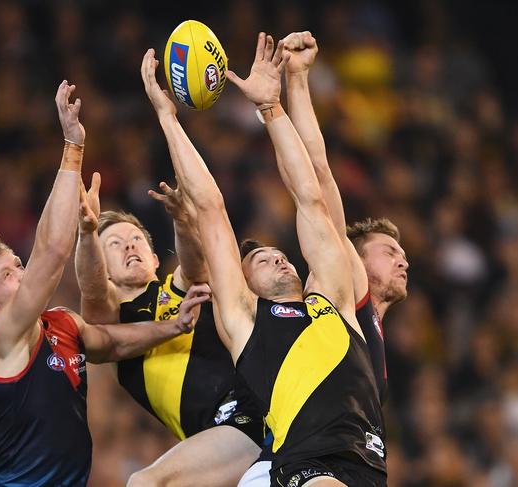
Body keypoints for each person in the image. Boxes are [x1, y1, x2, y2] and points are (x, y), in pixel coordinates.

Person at [141, 32, 386, 486]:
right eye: (261, 261)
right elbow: (211, 209)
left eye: (278, 255)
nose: (278, 259)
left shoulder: (332, 298)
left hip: (368, 470)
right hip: (307, 470)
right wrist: (167, 117)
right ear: (244, 284)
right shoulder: (244, 319)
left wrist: (271, 108)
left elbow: (310, 197)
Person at [0, 81, 211, 487]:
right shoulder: (0, 338)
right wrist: (73, 147)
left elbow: (112, 343)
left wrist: (172, 326)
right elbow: (53, 252)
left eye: (18, 264)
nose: (22, 272)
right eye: (8, 273)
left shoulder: (64, 324)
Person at [237, 31, 409, 486]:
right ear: (356, 257)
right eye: (389, 250)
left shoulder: (369, 329)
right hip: (290, 464)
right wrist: (295, 83)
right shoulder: (339, 292)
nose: (403, 260)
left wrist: (296, 78)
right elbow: (317, 174)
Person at [75, 178, 263, 486]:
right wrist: (87, 234)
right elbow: (93, 291)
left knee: (146, 483)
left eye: (137, 239)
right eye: (114, 244)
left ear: (154, 259)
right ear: (103, 267)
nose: (129, 245)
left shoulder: (176, 290)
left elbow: (194, 265)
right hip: (216, 438)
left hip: (248, 412)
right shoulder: (113, 325)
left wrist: (181, 220)